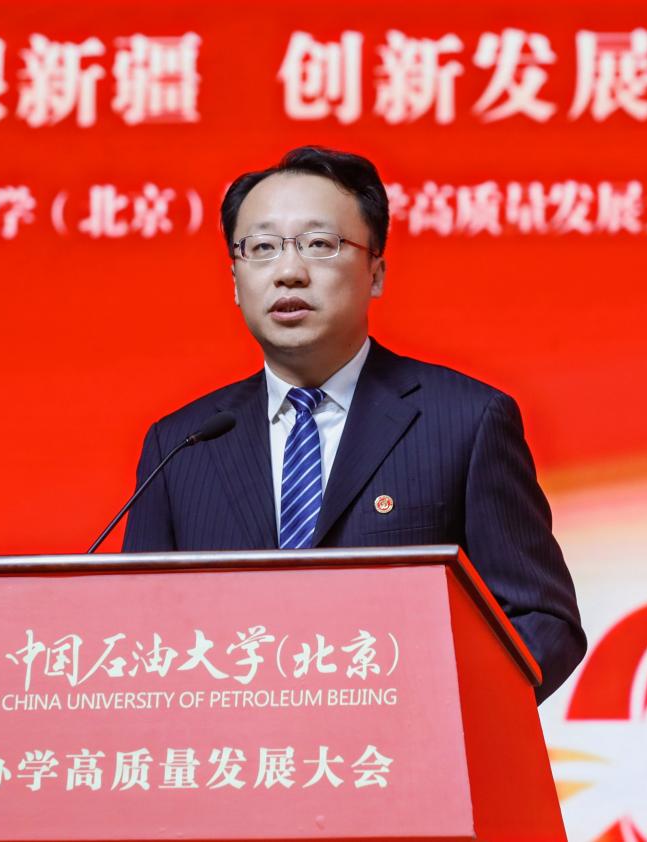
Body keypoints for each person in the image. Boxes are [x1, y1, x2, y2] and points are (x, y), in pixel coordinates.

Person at [123, 146, 585, 702]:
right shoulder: (181, 445)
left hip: (402, 745)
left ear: (376, 272)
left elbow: (542, 620)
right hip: (231, 749)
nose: (289, 273)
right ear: (236, 280)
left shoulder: (466, 421)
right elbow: (136, 632)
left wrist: (437, 716)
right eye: (262, 248)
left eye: (320, 244)